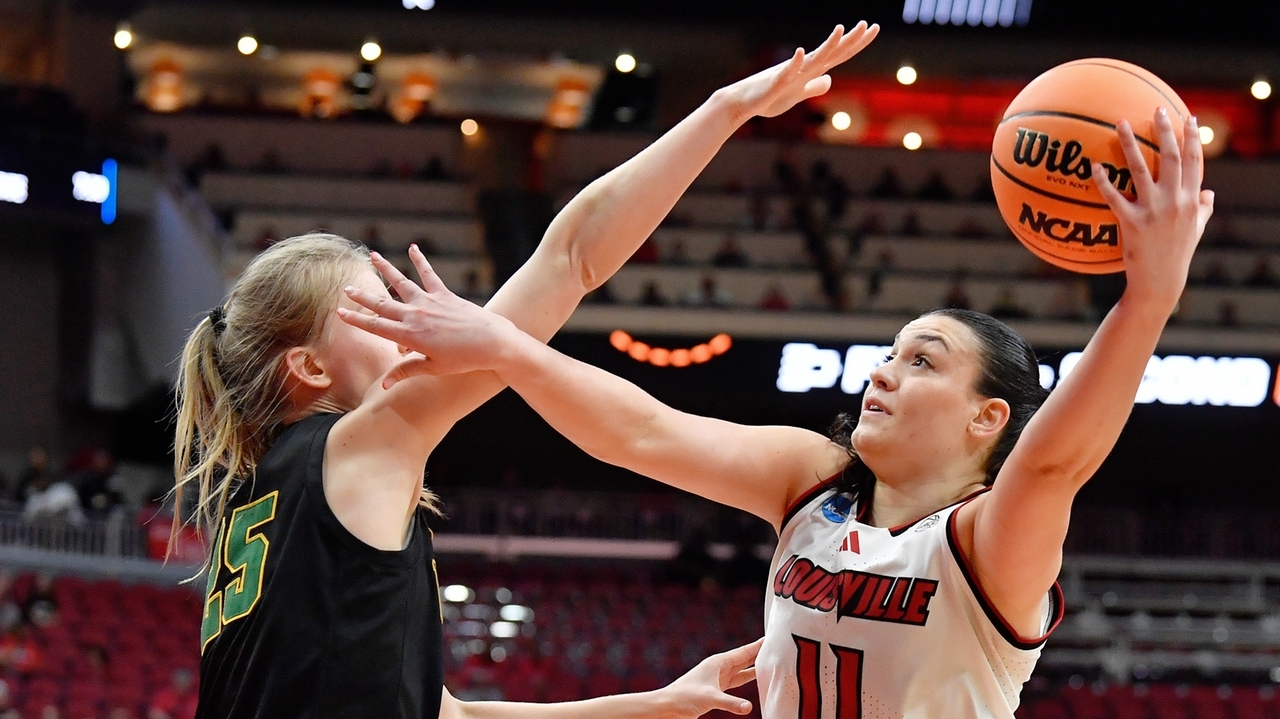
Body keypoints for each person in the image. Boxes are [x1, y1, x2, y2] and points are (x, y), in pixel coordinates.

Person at [342, 109, 1213, 718]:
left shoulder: (986, 541)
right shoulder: (812, 482)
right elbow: (640, 431)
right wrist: (503, 346)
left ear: (988, 417)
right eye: (889, 353)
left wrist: (1148, 298)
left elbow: (1055, 459)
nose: (884, 373)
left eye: (922, 361)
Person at [173, 21, 880, 719]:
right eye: (380, 307)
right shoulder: (357, 448)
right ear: (308, 366)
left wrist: (654, 705)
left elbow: (449, 715)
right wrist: (723, 111)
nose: (409, 319)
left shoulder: (267, 504)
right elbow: (570, 258)